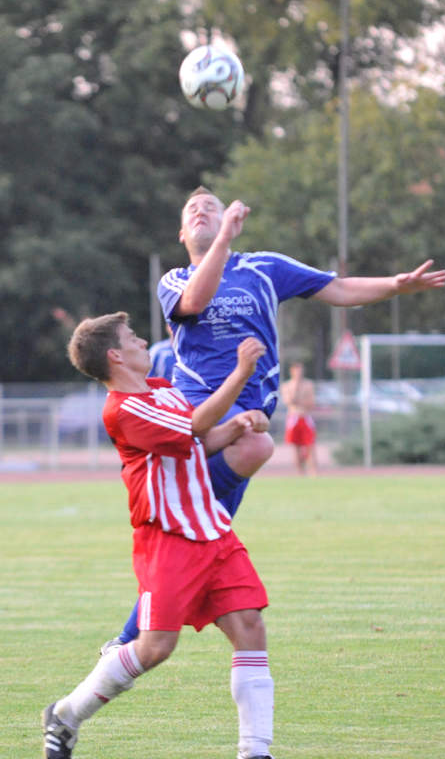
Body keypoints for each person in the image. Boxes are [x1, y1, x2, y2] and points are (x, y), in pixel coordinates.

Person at [105, 185, 445, 651]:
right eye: (192, 210)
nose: (201, 210)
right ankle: (133, 636)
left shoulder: (265, 268)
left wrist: (395, 285)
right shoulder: (174, 279)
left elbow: (337, 288)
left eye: (211, 206)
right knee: (245, 460)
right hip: (196, 413)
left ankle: (127, 641)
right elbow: (196, 302)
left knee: (199, 538)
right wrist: (223, 239)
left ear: (228, 219)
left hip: (249, 415)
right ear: (182, 233)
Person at [42, 311, 275, 759]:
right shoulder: (122, 409)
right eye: (131, 337)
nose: (141, 341)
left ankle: (255, 751)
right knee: (155, 648)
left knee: (249, 625)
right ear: (115, 356)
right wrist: (241, 372)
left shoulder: (162, 391)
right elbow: (193, 426)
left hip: (213, 530)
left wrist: (238, 426)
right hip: (168, 540)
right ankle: (67, 715)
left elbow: (193, 444)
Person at [281, 362, 317, 475]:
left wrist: (299, 402)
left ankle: (313, 471)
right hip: (293, 418)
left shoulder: (308, 384)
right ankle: (300, 471)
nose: (299, 373)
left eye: (300, 371)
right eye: (296, 371)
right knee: (295, 446)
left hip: (305, 417)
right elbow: (288, 401)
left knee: (310, 444)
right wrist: (296, 388)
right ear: (292, 372)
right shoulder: (287, 386)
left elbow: (311, 403)